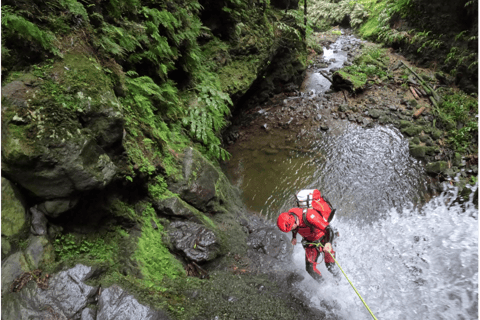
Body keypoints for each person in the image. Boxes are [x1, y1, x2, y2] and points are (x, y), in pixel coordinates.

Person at [277, 189, 339, 282]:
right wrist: (294, 237)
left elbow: (329, 229)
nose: (292, 230)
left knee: (330, 266)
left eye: (291, 228)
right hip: (310, 242)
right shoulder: (292, 217)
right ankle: (324, 284)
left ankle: (338, 278)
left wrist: (328, 243)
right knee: (310, 269)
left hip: (325, 238)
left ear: (293, 221)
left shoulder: (309, 216)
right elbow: (295, 228)